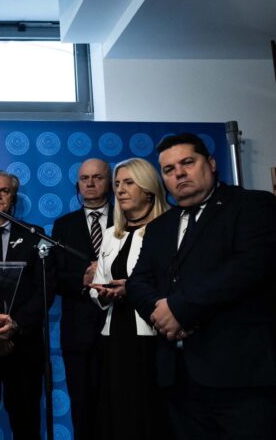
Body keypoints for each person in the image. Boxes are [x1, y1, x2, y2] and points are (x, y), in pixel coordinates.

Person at [126, 133, 276, 439]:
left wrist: (179, 310)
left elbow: (249, 268)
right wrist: (160, 313)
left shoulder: (253, 205)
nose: (179, 173)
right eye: (169, 169)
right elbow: (138, 281)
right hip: (178, 378)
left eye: (188, 163)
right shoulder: (159, 227)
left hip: (241, 376)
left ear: (210, 163)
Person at [0, 171, 56, 440]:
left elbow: (45, 288)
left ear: (13, 197)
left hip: (23, 345)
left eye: (4, 191)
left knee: (26, 424)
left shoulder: (34, 235)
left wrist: (15, 324)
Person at [87, 158, 172, 439]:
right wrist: (104, 293)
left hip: (155, 336)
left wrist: (132, 289)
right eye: (117, 184)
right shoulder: (111, 235)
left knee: (151, 414)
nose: (120, 190)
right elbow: (97, 284)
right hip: (115, 335)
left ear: (148, 189)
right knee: (119, 414)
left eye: (128, 183)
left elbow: (176, 283)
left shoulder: (168, 229)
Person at [50, 158, 111, 440]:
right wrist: (82, 281)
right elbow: (54, 277)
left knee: (121, 407)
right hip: (78, 332)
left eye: (97, 177)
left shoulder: (128, 218)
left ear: (109, 182)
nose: (90, 183)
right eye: (84, 178)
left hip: (122, 328)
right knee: (83, 408)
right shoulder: (64, 225)